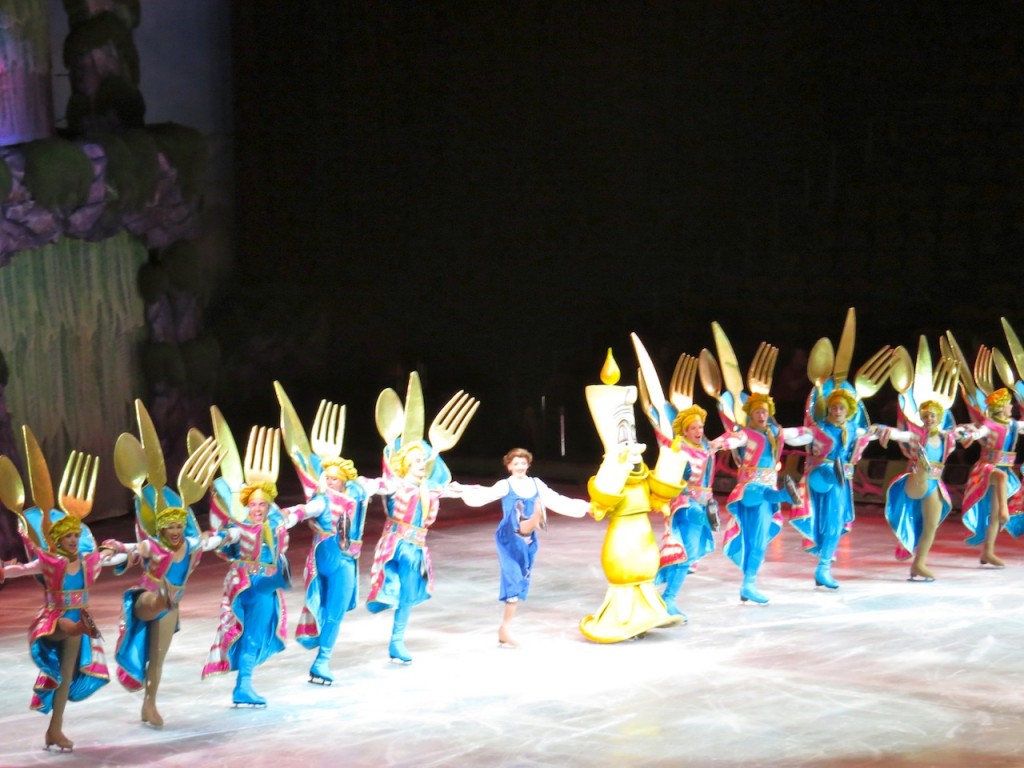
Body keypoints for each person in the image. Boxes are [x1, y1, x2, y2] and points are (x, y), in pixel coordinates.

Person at [2, 510, 123, 752]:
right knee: (68, 628)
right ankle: (80, 626)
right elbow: (25, 569)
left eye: (75, 536)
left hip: (77, 616)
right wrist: (4, 570)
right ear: (57, 540)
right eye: (67, 536)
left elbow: (111, 558)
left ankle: (54, 729)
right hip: (53, 618)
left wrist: (114, 548)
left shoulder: (88, 560)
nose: (72, 540)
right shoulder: (49, 562)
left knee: (65, 679)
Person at [102, 504, 222, 726]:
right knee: (156, 600)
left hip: (170, 607)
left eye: (179, 527)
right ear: (161, 531)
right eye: (170, 528)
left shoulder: (192, 545)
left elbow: (219, 536)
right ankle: (162, 596)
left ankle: (149, 704)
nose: (175, 531)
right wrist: (110, 548)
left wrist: (210, 534)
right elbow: (126, 546)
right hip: (145, 598)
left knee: (157, 661)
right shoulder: (152, 546)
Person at [460, 447, 589, 647]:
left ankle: (504, 629)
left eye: (523, 463)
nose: (520, 467)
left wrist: (586, 506)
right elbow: (484, 495)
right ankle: (536, 518)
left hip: (527, 541)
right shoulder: (506, 485)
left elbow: (558, 500)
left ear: (528, 465)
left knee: (520, 583)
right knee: (513, 580)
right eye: (515, 463)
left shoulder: (536, 484)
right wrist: (460, 490)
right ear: (509, 466)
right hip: (509, 537)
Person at [201, 480, 307, 706]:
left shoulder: (276, 525)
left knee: (253, 637)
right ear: (247, 507)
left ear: (269, 506)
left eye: (262, 504)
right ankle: (279, 579)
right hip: (247, 584)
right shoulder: (240, 528)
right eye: (253, 505)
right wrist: (208, 540)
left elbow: (296, 513)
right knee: (260, 599)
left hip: (263, 589)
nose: (257, 509)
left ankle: (243, 687)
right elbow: (225, 537)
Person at [366, 442, 464, 663]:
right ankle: (388, 617)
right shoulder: (396, 485)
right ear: (406, 464)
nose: (422, 464)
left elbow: (456, 491)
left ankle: (397, 641)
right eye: (417, 460)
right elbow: (373, 485)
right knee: (393, 586)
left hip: (416, 547)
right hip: (395, 544)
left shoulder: (429, 487)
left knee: (408, 595)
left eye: (422, 460)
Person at [294, 456, 380, 684]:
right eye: (328, 478)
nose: (330, 482)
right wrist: (288, 516)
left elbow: (379, 484)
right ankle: (320, 656)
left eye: (335, 479)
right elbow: (306, 510)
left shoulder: (357, 494)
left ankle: (321, 661)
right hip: (328, 556)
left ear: (343, 481)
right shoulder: (323, 500)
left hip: (347, 560)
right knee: (327, 607)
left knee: (335, 612)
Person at [718, 393, 810, 604]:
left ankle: (749, 584)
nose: (762, 415)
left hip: (767, 489)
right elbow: (731, 440)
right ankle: (785, 495)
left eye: (765, 412)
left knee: (757, 544)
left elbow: (801, 434)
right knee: (761, 496)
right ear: (750, 414)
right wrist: (714, 445)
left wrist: (816, 430)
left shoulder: (776, 432)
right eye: (758, 411)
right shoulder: (746, 433)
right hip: (749, 489)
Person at [788, 387, 880, 590]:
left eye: (841, 408)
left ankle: (823, 568)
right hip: (820, 476)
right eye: (834, 407)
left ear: (848, 411)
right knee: (831, 479)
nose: (837, 411)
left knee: (835, 524)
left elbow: (874, 433)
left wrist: (882, 430)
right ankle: (823, 567)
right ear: (828, 408)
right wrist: (778, 433)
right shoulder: (818, 428)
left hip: (841, 481)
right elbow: (798, 436)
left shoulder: (854, 429)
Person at [880, 400, 967, 581]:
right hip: (917, 482)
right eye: (925, 416)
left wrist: (970, 431)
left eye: (932, 416)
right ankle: (917, 562)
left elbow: (963, 433)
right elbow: (900, 435)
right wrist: (883, 430)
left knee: (930, 527)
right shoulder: (916, 436)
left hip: (934, 484)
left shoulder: (946, 437)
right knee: (920, 518)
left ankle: (918, 564)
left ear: (939, 418)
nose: (928, 419)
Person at [654, 406, 726, 618]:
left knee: (688, 555)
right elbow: (668, 461)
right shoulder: (681, 448)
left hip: (703, 501)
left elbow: (728, 439)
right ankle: (667, 599)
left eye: (701, 427)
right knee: (687, 544)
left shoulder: (706, 446)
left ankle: (663, 594)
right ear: (685, 431)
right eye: (693, 428)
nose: (698, 431)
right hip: (685, 502)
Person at [960, 388, 1024, 566]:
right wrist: (969, 434)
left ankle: (987, 552)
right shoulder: (989, 425)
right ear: (1001, 406)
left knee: (994, 515)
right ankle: (1005, 509)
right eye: (1008, 404)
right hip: (987, 468)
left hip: (1004, 467)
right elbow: (978, 433)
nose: (1011, 406)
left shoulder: (1012, 425)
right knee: (1001, 477)